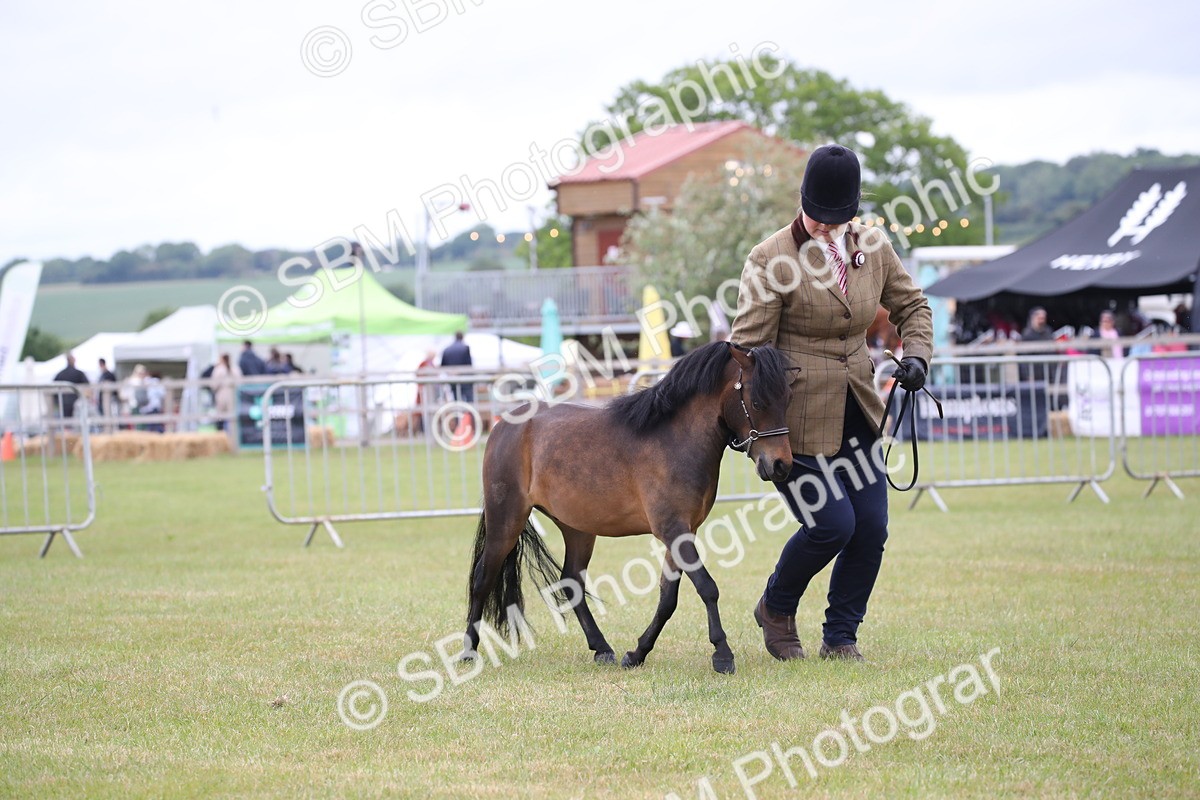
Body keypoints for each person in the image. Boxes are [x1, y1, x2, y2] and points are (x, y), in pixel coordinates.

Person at [731, 143, 933, 662]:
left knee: (871, 529)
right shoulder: (770, 258)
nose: (824, 227)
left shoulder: (873, 245)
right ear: (802, 200)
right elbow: (748, 352)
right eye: (816, 216)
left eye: (836, 219)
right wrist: (754, 432)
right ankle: (776, 607)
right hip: (792, 422)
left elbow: (913, 305)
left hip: (858, 410)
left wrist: (917, 355)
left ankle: (841, 636)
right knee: (831, 525)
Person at [52, 352, 90, 418]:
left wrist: (57, 401)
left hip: (63, 402)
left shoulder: (60, 374)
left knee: (65, 420)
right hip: (76, 401)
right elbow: (87, 385)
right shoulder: (79, 373)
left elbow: (53, 386)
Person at [1019, 307, 1053, 381]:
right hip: (1032, 373)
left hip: (1046, 372)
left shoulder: (1048, 332)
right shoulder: (1027, 334)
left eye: (1043, 318)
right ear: (1033, 318)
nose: (1042, 320)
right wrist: (1027, 375)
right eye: (1040, 318)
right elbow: (1023, 357)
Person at [440, 332, 474, 402]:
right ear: (462, 337)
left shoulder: (447, 349)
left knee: (456, 399)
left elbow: (443, 365)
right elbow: (469, 364)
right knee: (469, 400)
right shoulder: (465, 348)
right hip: (465, 378)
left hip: (452, 378)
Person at [211, 353, 239, 432]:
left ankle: (220, 433)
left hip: (222, 394)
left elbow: (213, 384)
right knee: (232, 417)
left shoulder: (218, 369)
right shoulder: (235, 369)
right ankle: (233, 434)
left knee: (220, 416)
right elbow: (240, 382)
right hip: (233, 394)